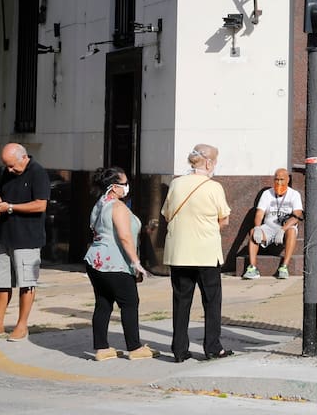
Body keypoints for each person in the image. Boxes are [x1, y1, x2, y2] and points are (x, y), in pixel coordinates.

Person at [161, 144, 232, 362]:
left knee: (181, 301)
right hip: (206, 253)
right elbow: (224, 219)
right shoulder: (214, 187)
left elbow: (166, 213)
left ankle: (180, 350)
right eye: (216, 161)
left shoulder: (176, 184)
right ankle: (212, 347)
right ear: (209, 163)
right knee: (211, 301)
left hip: (179, 252)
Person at [0, 142, 50, 341]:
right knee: (1, 281)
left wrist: (11, 208)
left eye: (12, 165)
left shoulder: (38, 172)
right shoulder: (5, 172)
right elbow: (1, 193)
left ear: (23, 157)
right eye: (6, 165)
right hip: (6, 235)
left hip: (28, 237)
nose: (9, 169)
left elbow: (40, 205)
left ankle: (22, 325)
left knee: (27, 282)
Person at [85, 166, 155, 361]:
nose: (127, 187)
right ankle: (134, 347)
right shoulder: (117, 206)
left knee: (103, 303)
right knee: (130, 302)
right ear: (114, 187)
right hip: (114, 263)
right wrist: (136, 263)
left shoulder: (100, 203)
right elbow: (125, 237)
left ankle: (102, 348)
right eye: (124, 183)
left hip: (94, 261)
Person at [243, 169, 303, 280]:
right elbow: (259, 213)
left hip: (285, 228)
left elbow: (297, 216)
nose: (279, 182)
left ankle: (284, 267)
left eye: (282, 179)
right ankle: (252, 268)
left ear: (288, 180)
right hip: (269, 227)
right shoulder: (267, 194)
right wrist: (257, 227)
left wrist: (283, 229)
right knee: (253, 232)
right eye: (276, 179)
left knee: (292, 230)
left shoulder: (294, 194)